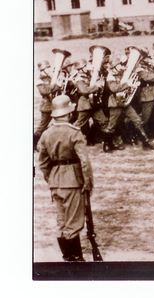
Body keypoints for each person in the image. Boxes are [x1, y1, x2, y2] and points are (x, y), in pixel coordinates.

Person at [37, 94, 94, 261]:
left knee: (62, 222)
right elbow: (84, 162)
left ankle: (67, 257)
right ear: (69, 113)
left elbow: (42, 163)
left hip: (55, 182)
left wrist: (52, 179)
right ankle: (76, 260)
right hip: (73, 181)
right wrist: (87, 183)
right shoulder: (74, 132)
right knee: (74, 222)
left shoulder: (46, 134)